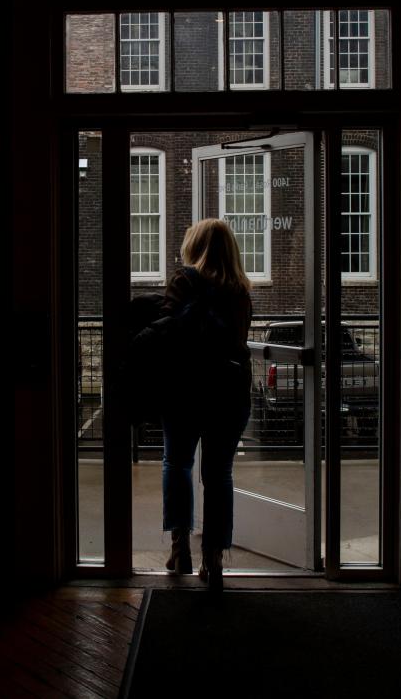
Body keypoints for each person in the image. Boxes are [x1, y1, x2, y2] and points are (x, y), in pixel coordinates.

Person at [160, 218, 253, 591]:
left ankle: (180, 546)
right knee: (218, 476)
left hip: (184, 390)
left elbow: (166, 333)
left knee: (178, 464)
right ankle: (213, 560)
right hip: (228, 393)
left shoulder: (183, 282)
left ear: (194, 246)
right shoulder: (240, 291)